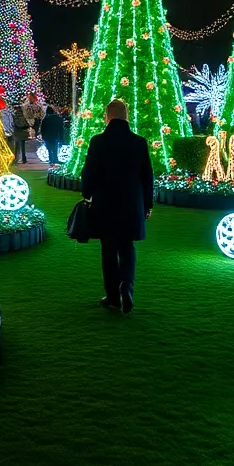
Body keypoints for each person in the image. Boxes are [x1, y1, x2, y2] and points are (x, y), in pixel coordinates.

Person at [81, 99, 154, 314]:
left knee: (109, 249)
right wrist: (147, 204)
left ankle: (113, 297)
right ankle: (127, 285)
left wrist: (87, 192)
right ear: (126, 116)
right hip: (132, 204)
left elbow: (89, 172)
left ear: (107, 116)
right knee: (127, 246)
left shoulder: (98, 141)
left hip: (105, 203)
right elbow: (147, 176)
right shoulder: (139, 142)